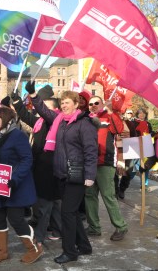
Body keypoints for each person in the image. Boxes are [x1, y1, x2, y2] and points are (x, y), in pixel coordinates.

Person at [27, 86, 98, 264]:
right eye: (62, 103)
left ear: (76, 104)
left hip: (77, 174)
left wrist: (90, 175)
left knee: (67, 213)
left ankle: (70, 251)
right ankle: (84, 246)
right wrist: (34, 96)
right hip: (61, 174)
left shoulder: (84, 124)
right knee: (71, 213)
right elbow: (43, 110)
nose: (64, 105)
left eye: (67, 103)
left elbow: (91, 151)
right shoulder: (60, 120)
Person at [0, 107, 41, 265]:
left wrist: (14, 178)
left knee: (16, 219)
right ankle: (2, 252)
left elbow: (27, 159)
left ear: (7, 119)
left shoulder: (18, 135)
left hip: (14, 186)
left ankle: (34, 248)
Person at [11, 90, 63, 246]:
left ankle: (39, 236)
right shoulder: (40, 122)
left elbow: (44, 112)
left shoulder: (54, 120)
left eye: (45, 107)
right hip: (40, 166)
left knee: (45, 204)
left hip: (49, 167)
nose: (41, 109)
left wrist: (34, 97)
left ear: (54, 110)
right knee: (52, 203)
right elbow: (26, 116)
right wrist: (17, 102)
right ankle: (59, 229)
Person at [85, 96, 129, 241]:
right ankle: (94, 227)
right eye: (91, 104)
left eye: (96, 103)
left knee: (108, 196)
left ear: (102, 104)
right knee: (90, 196)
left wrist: (110, 111)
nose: (93, 105)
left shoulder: (109, 116)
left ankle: (121, 226)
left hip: (105, 163)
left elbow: (119, 130)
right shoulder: (87, 118)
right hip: (90, 164)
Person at [134, 107, 154, 192]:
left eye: (143, 113)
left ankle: (144, 184)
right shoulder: (133, 123)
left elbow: (151, 132)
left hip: (146, 145)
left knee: (145, 165)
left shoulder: (148, 123)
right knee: (134, 165)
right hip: (135, 145)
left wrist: (151, 134)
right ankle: (124, 184)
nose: (141, 115)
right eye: (140, 113)